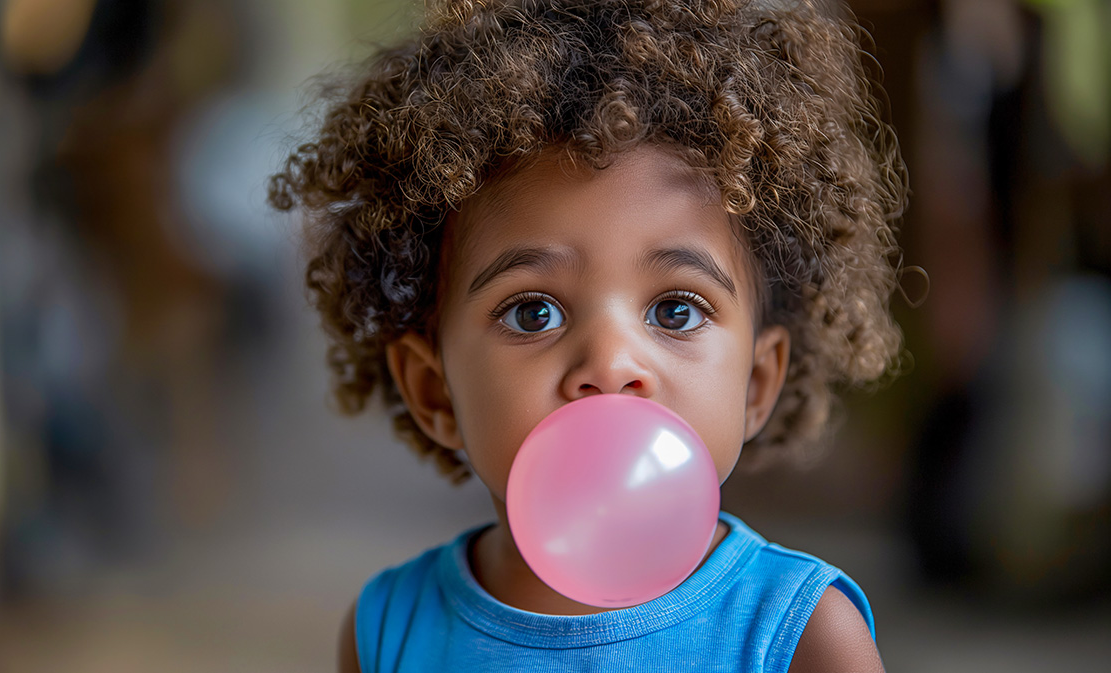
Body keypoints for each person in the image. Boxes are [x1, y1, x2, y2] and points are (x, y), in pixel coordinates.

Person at [269, 1, 907, 670]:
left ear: (756, 381)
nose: (608, 362)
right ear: (435, 391)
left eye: (675, 310)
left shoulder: (802, 635)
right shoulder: (388, 631)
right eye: (533, 312)